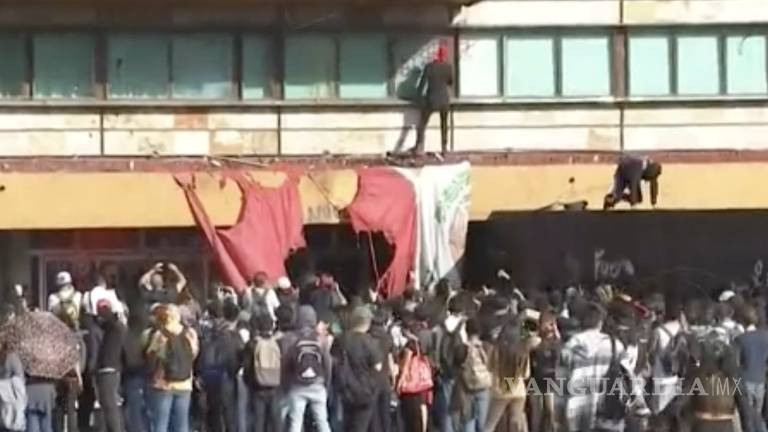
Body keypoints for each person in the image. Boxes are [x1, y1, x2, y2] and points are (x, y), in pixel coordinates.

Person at [559, 302, 632, 432]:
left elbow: (561, 381)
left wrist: (558, 414)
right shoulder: (615, 345)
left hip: (575, 411)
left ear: (582, 320)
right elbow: (628, 379)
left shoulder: (571, 346)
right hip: (604, 413)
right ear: (601, 321)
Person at [145, 304, 199, 432]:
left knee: (160, 425)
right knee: (182, 425)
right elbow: (194, 354)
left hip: (164, 384)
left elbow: (151, 355)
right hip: (185, 383)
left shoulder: (160, 335)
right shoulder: (190, 334)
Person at [331, 306, 383, 432]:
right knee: (360, 426)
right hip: (365, 391)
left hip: (345, 389)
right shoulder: (371, 342)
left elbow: (333, 360)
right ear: (368, 323)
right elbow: (378, 366)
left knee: (347, 424)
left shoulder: (340, 340)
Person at [281, 305, 332, 432]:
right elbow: (327, 364)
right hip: (318, 384)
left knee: (295, 422)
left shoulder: (288, 338)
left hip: (296, 385)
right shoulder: (321, 339)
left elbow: (285, 364)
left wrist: (285, 385)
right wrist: (326, 384)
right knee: (322, 421)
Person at [197, 300, 242, 432]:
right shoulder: (232, 335)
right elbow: (234, 358)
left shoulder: (207, 332)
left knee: (214, 410)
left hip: (210, 374)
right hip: (226, 376)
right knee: (229, 411)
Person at [483, 325, 532, 432]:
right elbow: (526, 374)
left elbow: (489, 368)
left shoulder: (496, 350)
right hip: (518, 390)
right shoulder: (522, 351)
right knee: (516, 424)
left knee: (490, 424)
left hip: (500, 389)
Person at [414, 41, 453, 155]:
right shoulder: (448, 67)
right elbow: (450, 82)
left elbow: (422, 85)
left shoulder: (429, 67)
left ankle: (420, 146)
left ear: (435, 54)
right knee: (444, 124)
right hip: (444, 100)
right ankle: (444, 148)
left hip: (431, 99)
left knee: (422, 123)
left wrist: (418, 98)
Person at [244, 314, 282, 432]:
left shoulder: (252, 344)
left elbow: (246, 367)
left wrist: (249, 383)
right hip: (275, 386)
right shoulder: (278, 343)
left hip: (257, 387)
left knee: (258, 421)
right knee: (276, 421)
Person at [452, 318, 491, 432]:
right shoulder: (486, 347)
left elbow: (456, 367)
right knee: (483, 424)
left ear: (466, 331)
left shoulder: (462, 348)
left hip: (466, 389)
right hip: (484, 386)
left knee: (468, 422)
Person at [734, 305, 768, 431]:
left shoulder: (740, 339)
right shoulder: (766, 336)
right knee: (757, 415)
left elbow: (736, 363)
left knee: (747, 417)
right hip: (760, 380)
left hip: (745, 380)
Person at [94, 301, 126, 432]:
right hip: (112, 368)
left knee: (109, 405)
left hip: (108, 369)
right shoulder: (117, 327)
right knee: (109, 405)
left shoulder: (113, 327)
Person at [529, 311, 562, 432]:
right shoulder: (534, 339)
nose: (552, 327)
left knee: (550, 410)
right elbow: (525, 331)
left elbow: (559, 355)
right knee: (536, 411)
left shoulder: (556, 341)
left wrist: (555, 331)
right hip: (535, 377)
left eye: (554, 324)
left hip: (550, 377)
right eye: (550, 324)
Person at [0, 338, 25, 432]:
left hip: (11, 397)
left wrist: (5, 383)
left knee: (10, 423)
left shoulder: (12, 357)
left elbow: (20, 377)